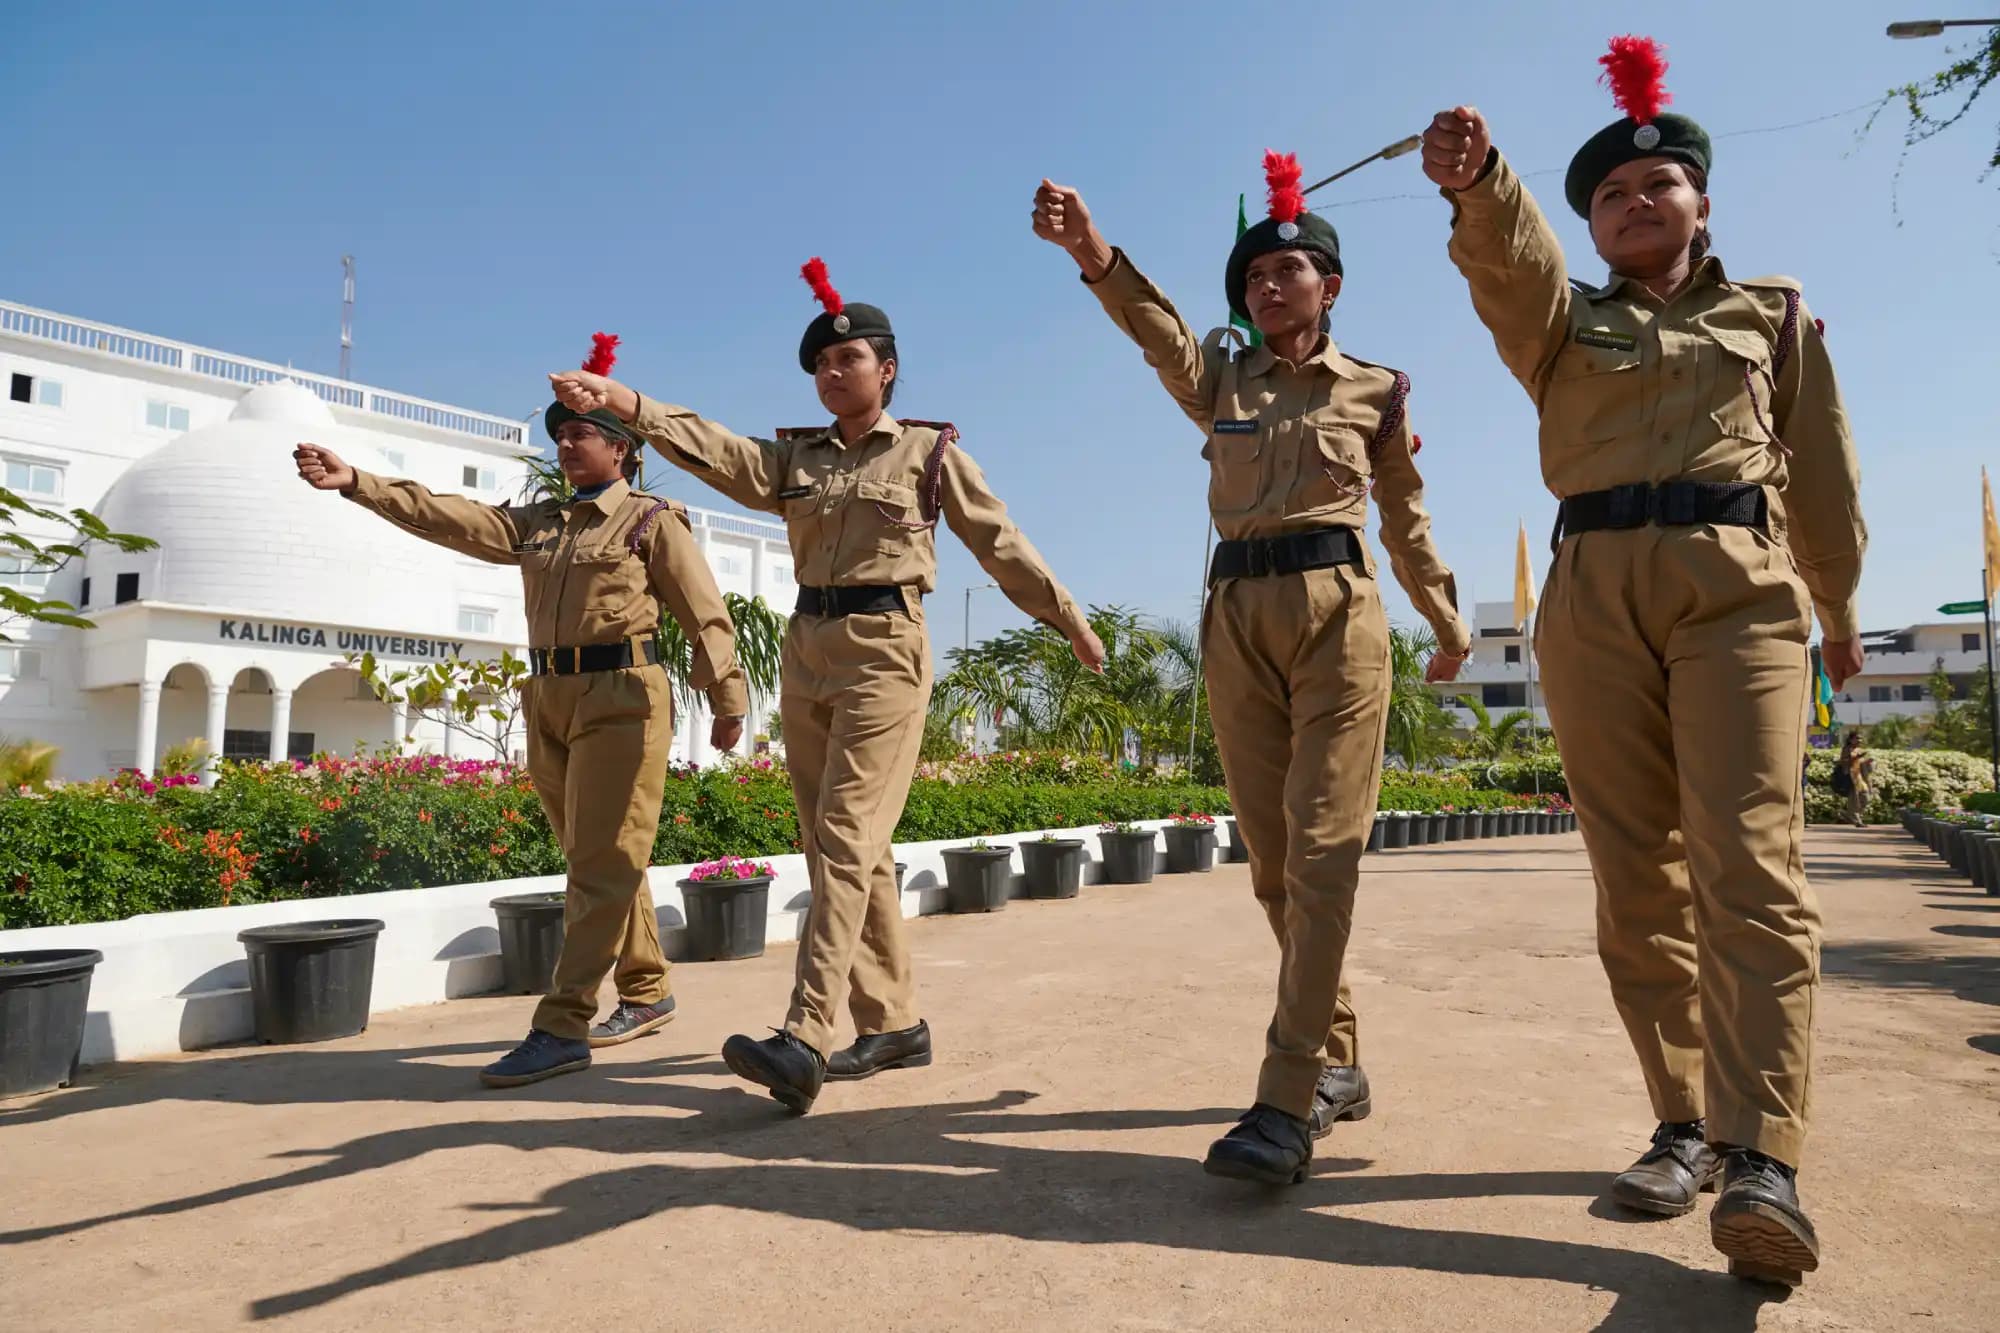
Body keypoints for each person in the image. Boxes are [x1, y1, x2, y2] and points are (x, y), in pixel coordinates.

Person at [1422, 35, 1867, 1286]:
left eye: (1652, 186)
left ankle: (1762, 1157)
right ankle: (1683, 1123)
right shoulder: (1562, 326)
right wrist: (1479, 182)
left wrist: (1834, 611)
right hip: (1592, 601)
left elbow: (1821, 473)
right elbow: (1509, 266)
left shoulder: (1769, 313)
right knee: (1634, 874)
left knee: (1749, 860)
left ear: (1698, 202)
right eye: (1607, 196)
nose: (1631, 203)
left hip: (1736, 592)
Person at [548, 260, 1105, 1114]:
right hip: (810, 647)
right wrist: (631, 406)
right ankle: (894, 1023)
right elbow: (721, 452)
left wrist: (1064, 616)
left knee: (844, 835)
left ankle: (805, 1034)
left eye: (851, 360)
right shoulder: (796, 458)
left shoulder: (929, 452)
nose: (833, 372)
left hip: (888, 646)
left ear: (887, 370)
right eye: (821, 364)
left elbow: (1001, 543)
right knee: (838, 844)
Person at [1031, 150, 1470, 1185]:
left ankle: (1283, 1102)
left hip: (1336, 618)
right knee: (1274, 866)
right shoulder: (1221, 378)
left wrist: (1446, 622)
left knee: (1323, 853)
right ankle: (1338, 1058)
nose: (1266, 289)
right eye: (1252, 280)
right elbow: (1158, 338)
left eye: (1286, 274)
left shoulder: (1375, 391)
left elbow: (1405, 521)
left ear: (1330, 285)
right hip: (1235, 615)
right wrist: (1091, 251)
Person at [294, 334, 748, 1088]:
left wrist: (726, 699)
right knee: (595, 858)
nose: (568, 444)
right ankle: (646, 987)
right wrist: (356, 483)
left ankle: (562, 1023)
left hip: (624, 699)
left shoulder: (649, 520)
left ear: (623, 450)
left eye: (583, 434)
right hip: (549, 697)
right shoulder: (541, 523)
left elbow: (707, 614)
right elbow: (451, 516)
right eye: (562, 435)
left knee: (602, 864)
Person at [1834, 732, 1872, 828]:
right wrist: (1856, 757)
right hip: (1850, 777)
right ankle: (1857, 821)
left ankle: (1846, 815)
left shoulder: (1860, 750)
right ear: (1851, 740)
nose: (1859, 740)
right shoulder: (1847, 749)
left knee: (1865, 798)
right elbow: (1843, 761)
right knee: (1854, 801)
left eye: (1860, 738)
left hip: (1859, 778)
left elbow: (1861, 764)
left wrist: (1868, 761)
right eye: (1857, 738)